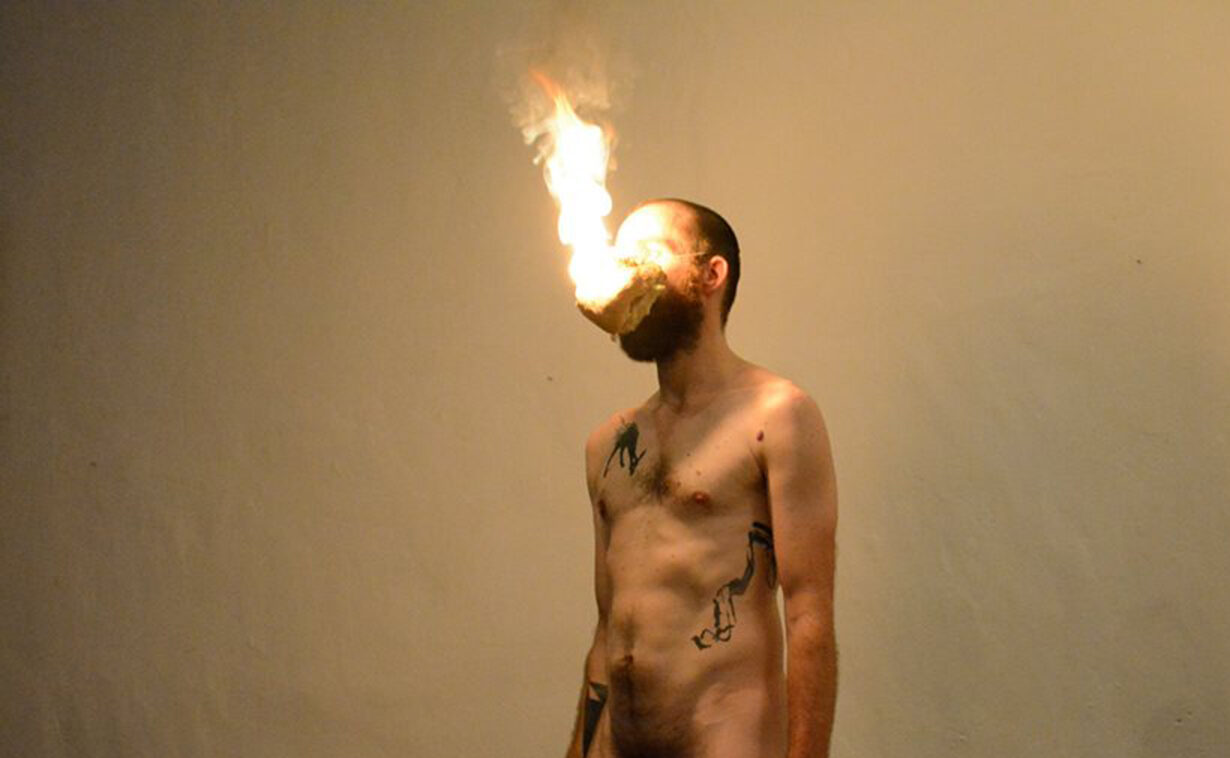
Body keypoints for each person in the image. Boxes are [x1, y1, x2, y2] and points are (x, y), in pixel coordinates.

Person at [565, 199, 838, 758]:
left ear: (711, 275)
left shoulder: (777, 416)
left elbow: (809, 613)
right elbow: (607, 627)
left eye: (649, 252)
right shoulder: (608, 446)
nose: (627, 268)